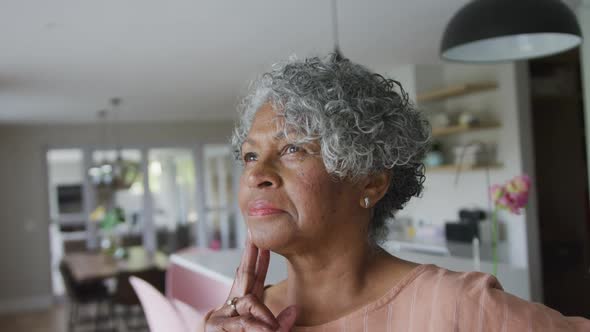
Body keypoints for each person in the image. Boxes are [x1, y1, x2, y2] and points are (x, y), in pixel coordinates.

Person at [203, 54, 590, 331]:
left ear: (371, 181)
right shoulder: (231, 325)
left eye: (293, 149)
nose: (256, 174)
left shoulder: (458, 309)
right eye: (250, 154)